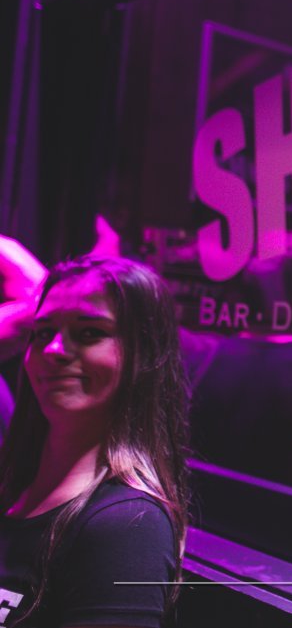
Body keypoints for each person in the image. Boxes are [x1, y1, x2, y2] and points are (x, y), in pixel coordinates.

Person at [0, 255, 190, 628]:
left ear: (143, 354)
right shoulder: (12, 486)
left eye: (89, 333)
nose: (53, 349)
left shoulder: (127, 526)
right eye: (42, 333)